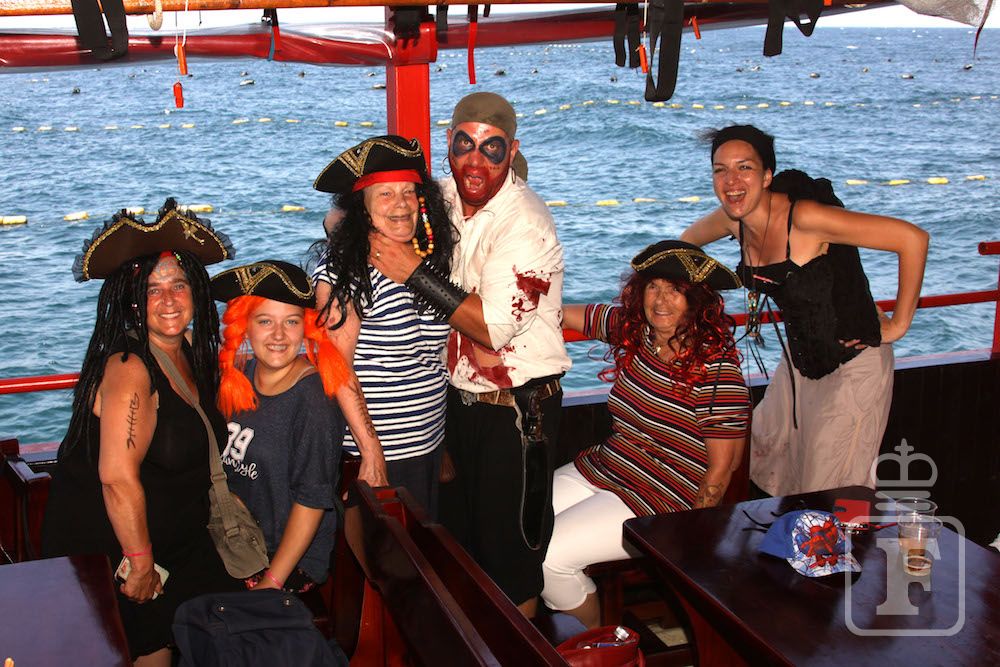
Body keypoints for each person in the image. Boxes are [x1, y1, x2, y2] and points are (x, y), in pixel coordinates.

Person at [369, 92, 572, 616]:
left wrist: (412, 272)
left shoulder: (526, 222)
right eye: (465, 144)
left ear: (513, 151)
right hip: (455, 406)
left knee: (511, 566)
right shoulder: (441, 198)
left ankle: (519, 648)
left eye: (492, 147)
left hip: (517, 416)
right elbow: (358, 211)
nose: (476, 160)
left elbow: (494, 328)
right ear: (449, 143)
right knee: (460, 554)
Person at [42, 199, 242, 665]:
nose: (168, 300)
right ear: (133, 301)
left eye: (178, 285)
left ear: (195, 290)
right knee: (149, 648)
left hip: (179, 540)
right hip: (119, 549)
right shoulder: (130, 367)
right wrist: (140, 561)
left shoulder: (188, 349)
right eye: (153, 290)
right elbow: (116, 478)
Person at [681, 124, 929, 496]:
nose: (731, 181)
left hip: (853, 365)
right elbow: (683, 245)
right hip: (798, 363)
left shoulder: (806, 219)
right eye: (721, 170)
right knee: (763, 458)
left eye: (744, 167)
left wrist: (898, 325)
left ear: (767, 176)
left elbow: (912, 239)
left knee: (828, 492)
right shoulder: (732, 221)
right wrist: (685, 306)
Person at [540, 240, 750, 627]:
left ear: (698, 302)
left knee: (551, 556)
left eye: (675, 290)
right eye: (654, 286)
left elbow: (722, 469)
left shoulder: (716, 370)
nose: (661, 300)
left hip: (664, 496)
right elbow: (570, 314)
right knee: (522, 528)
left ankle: (599, 642)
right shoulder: (638, 333)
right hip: (607, 468)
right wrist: (515, 314)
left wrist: (689, 536)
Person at [312, 135, 457, 517]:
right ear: (362, 207)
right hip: (377, 453)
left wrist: (440, 442)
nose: (401, 204)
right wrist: (371, 451)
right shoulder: (344, 269)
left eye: (409, 192)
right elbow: (336, 365)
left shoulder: (429, 259)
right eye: (386, 194)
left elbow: (430, 359)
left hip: (427, 443)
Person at [212, 260, 349, 592]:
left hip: (283, 562)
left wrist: (272, 582)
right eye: (265, 321)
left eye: (291, 322)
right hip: (238, 541)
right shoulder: (239, 378)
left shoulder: (313, 401)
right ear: (245, 326)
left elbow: (312, 501)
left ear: (306, 328)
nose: (278, 335)